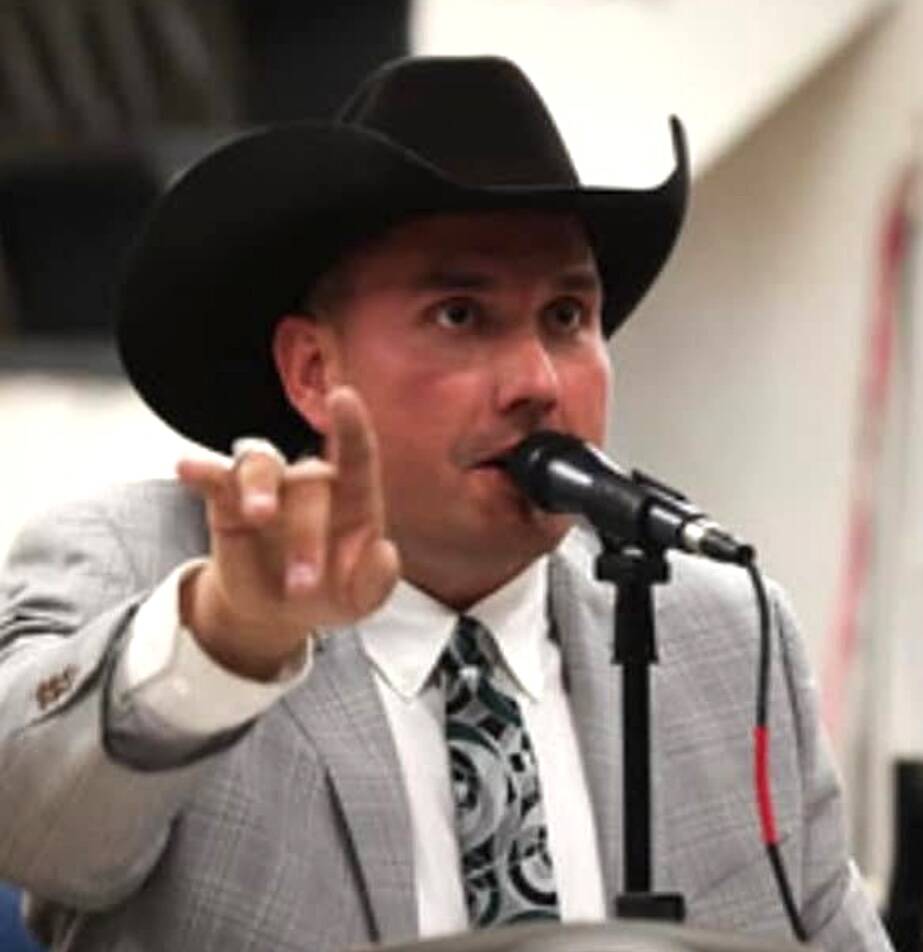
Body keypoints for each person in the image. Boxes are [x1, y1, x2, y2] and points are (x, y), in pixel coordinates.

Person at [0, 55, 891, 951]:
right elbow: (33, 834)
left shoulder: (723, 633)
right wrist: (228, 638)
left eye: (568, 316)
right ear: (315, 370)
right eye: (461, 315)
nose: (537, 383)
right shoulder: (140, 564)